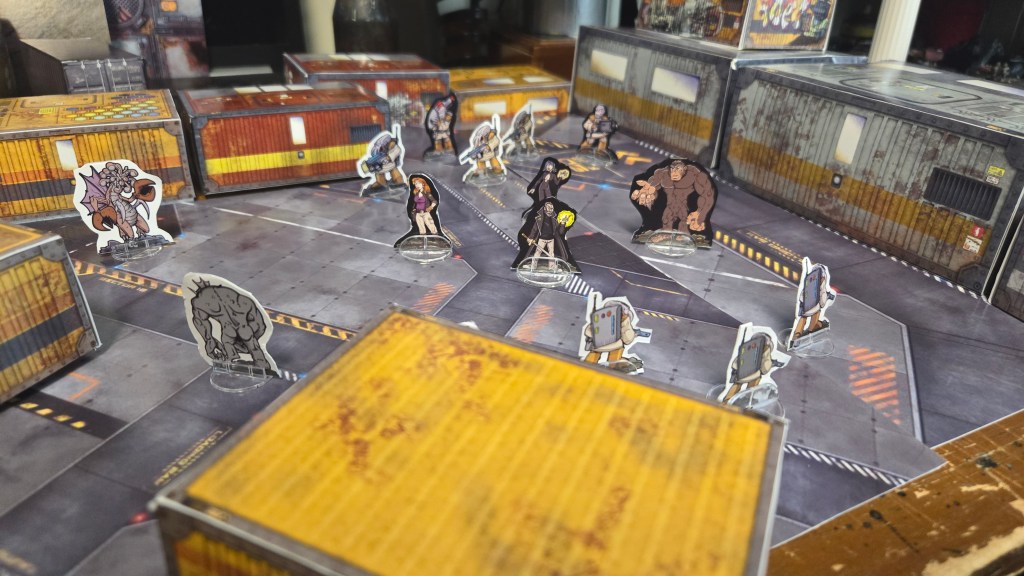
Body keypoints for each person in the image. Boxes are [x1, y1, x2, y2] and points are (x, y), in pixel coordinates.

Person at [630, 158, 716, 246]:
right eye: (672, 169)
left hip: (683, 204)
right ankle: (666, 234)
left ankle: (682, 236)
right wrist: (644, 191)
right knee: (666, 217)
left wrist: (700, 214)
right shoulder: (662, 174)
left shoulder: (694, 175)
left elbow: (708, 195)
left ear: (684, 170)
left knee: (684, 220)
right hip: (670, 204)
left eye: (678, 169)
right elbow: (651, 185)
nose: (674, 172)